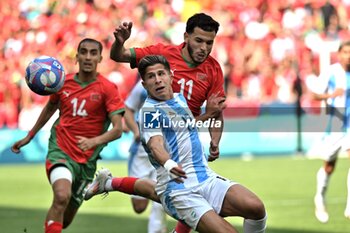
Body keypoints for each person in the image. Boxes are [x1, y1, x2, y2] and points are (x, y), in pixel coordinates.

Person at [86, 13, 226, 233]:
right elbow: (119, 55)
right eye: (199, 41)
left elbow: (217, 111)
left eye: (209, 43)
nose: (204, 48)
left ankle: (110, 183)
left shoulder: (213, 69)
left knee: (187, 191)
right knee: (175, 191)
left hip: (187, 135)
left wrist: (215, 140)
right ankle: (111, 184)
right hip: (159, 132)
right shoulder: (162, 55)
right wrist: (120, 42)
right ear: (186, 37)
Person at [100, 55, 267, 232]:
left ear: (171, 76)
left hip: (205, 178)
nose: (157, 80)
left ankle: (110, 183)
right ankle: (111, 183)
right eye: (151, 77)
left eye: (161, 74)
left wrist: (208, 116)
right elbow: (155, 145)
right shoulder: (150, 111)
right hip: (179, 189)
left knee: (255, 208)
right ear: (144, 84)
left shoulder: (179, 98)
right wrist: (169, 163)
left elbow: (184, 125)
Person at [11, 38, 125, 233]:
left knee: (64, 220)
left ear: (100, 58)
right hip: (60, 149)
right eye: (84, 52)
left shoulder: (107, 88)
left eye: (93, 53)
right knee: (61, 196)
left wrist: (93, 141)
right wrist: (30, 136)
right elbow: (49, 108)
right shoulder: (62, 83)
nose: (88, 57)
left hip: (87, 161)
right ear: (77, 56)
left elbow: (118, 129)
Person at [310, 40, 350, 223]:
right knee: (329, 166)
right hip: (335, 125)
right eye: (345, 52)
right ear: (340, 54)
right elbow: (315, 94)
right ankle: (320, 198)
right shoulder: (332, 72)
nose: (348, 56)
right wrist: (331, 95)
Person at [124, 79, 167, 233]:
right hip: (142, 151)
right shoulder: (142, 86)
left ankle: (157, 227)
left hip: (165, 148)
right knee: (139, 206)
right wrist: (136, 131)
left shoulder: (174, 83)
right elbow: (128, 108)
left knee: (162, 192)